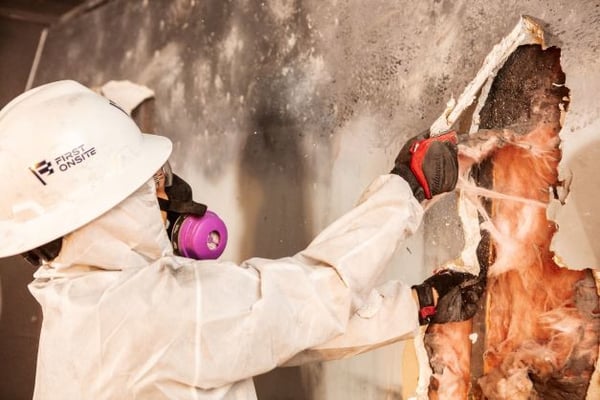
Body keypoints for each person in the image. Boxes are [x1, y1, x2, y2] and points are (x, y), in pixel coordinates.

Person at [0, 80, 483, 399]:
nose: (168, 190)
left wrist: (416, 304)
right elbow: (311, 296)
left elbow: (270, 333)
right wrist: (409, 187)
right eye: (151, 179)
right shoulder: (144, 310)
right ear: (105, 205)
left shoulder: (89, 307)